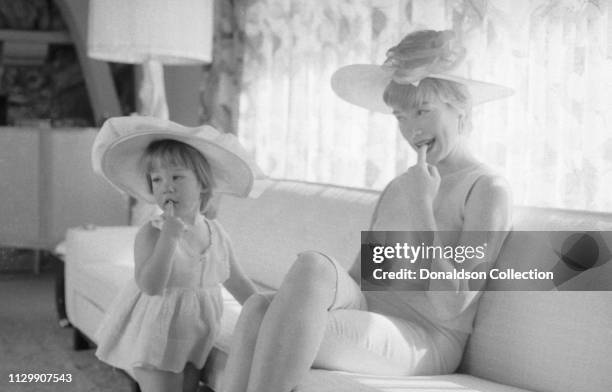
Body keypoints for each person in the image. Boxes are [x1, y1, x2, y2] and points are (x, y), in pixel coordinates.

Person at [222, 29, 514, 392]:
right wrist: (311, 298)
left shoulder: (486, 188)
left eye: (423, 110)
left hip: (426, 339)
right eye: (400, 116)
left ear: (461, 109)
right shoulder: (400, 185)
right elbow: (360, 281)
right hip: (371, 316)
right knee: (263, 304)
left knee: (279, 315)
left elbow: (451, 305)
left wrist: (422, 206)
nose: (413, 129)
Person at [91, 116, 262, 392]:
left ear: (203, 184)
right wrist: (170, 237)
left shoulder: (215, 232)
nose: (166, 186)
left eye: (177, 177)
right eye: (156, 179)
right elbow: (150, 285)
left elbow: (237, 281)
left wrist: (265, 313)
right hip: (157, 336)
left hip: (197, 335)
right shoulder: (152, 233)